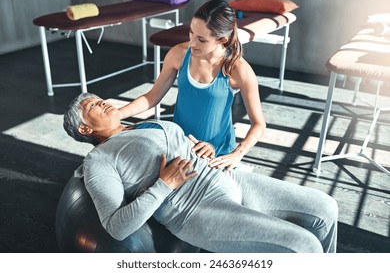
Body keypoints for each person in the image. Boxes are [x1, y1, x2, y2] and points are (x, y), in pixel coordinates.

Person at [64, 92, 338, 253]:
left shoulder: (143, 125)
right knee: (305, 247)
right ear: (85, 129)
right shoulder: (99, 160)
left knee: (326, 207)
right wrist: (164, 184)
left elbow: (184, 142)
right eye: (93, 106)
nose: (103, 102)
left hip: (227, 177)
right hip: (196, 207)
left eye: (100, 99)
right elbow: (117, 226)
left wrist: (203, 148)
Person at [118, 0, 266, 171]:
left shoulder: (238, 69)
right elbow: (152, 97)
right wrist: (118, 113)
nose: (192, 43)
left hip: (217, 156)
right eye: (191, 33)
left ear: (222, 40)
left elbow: (259, 125)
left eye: (201, 39)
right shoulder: (178, 54)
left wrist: (237, 153)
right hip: (180, 149)